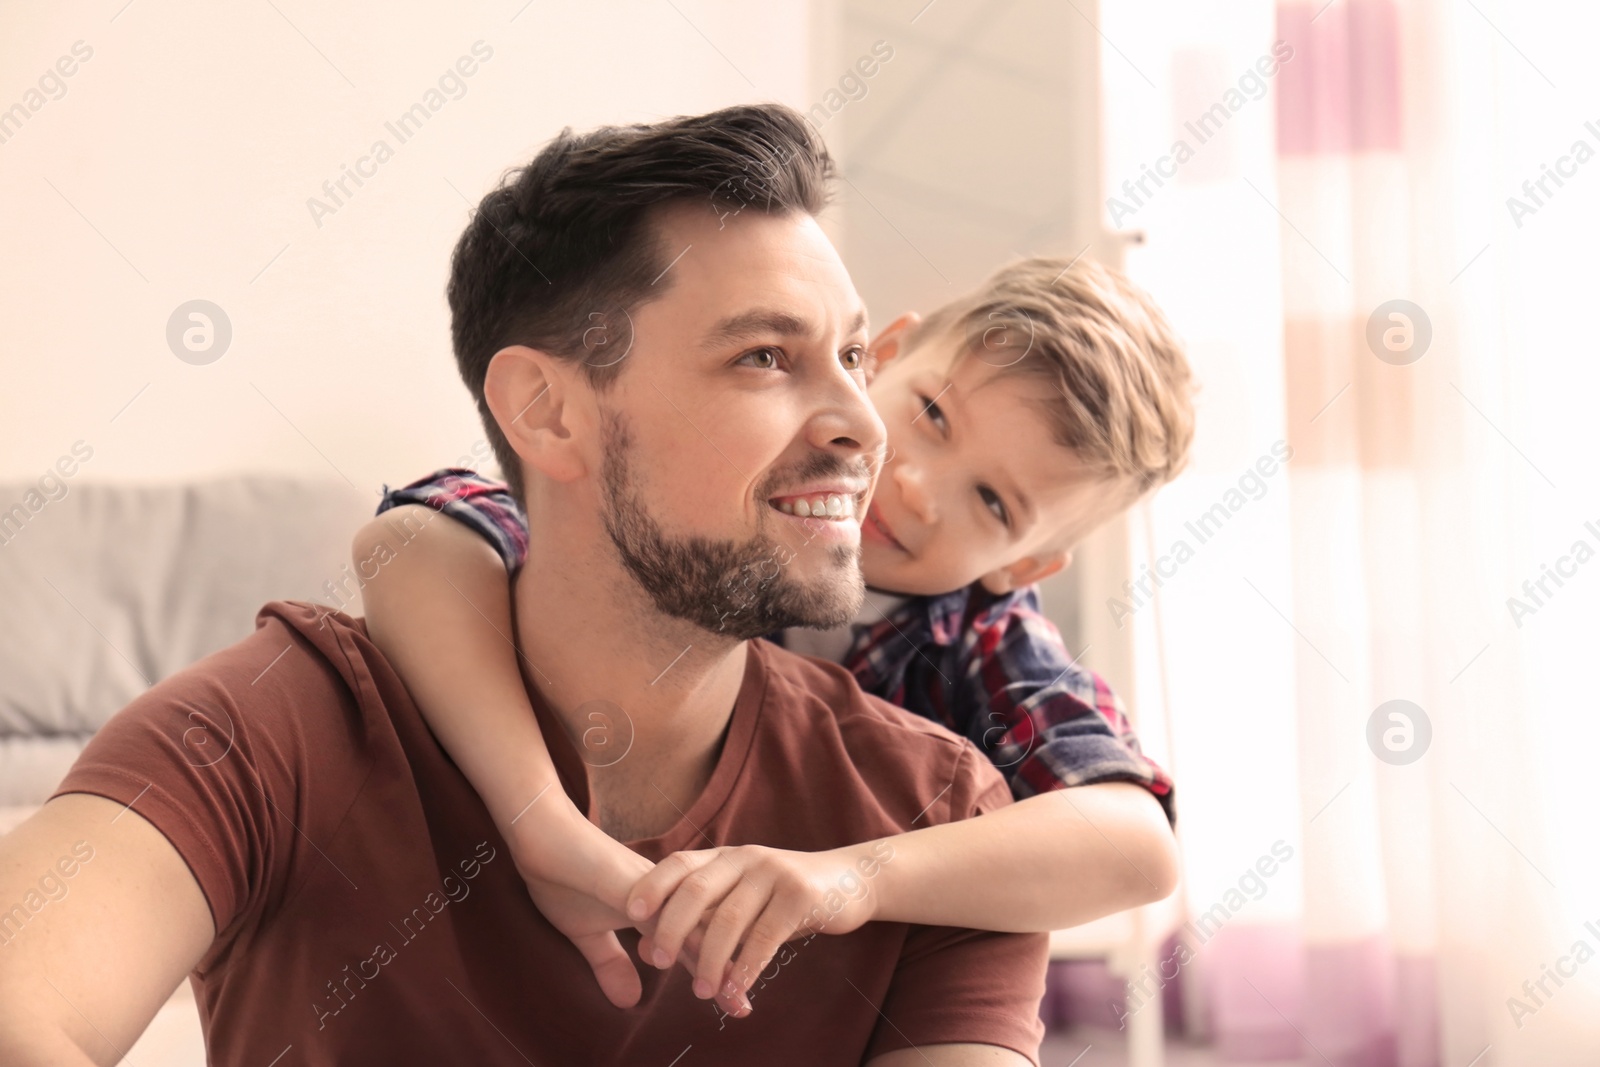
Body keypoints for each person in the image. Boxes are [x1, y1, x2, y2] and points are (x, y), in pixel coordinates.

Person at [0, 104, 1081, 1065]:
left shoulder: (932, 821)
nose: (861, 425)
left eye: (851, 357)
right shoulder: (267, 728)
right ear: (549, 412)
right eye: (762, 356)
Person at [354, 252, 1196, 1013]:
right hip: (513, 910)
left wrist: (850, 878)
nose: (913, 484)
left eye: (992, 502)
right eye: (933, 415)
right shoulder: (707, 513)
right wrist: (544, 829)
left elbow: (1135, 842)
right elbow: (410, 541)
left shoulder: (983, 638)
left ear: (1027, 564)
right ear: (881, 359)